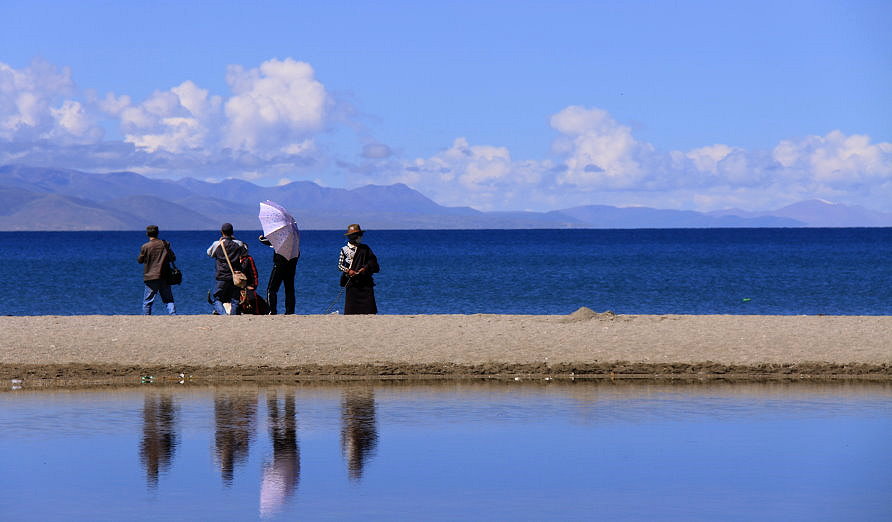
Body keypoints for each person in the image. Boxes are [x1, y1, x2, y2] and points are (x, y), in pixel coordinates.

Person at [338, 224, 379, 314]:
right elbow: (340, 265)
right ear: (352, 237)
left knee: (369, 308)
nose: (360, 237)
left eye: (360, 235)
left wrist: (365, 268)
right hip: (352, 282)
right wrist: (349, 271)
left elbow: (373, 261)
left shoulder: (365, 248)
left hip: (365, 281)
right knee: (351, 308)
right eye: (358, 235)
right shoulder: (344, 249)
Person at [207, 223, 247, 315]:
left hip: (222, 276)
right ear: (232, 232)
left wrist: (220, 241)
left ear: (221, 232)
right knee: (235, 299)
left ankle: (223, 314)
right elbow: (245, 253)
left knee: (217, 298)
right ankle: (233, 317)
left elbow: (209, 253)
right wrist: (235, 240)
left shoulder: (217, 244)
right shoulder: (238, 244)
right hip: (235, 275)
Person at [137, 225, 176, 315]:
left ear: (147, 234)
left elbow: (140, 260)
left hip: (150, 276)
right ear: (157, 233)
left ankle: (147, 318)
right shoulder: (165, 244)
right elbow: (173, 258)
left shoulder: (145, 247)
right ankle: (173, 315)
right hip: (164, 275)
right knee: (168, 299)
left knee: (147, 301)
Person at [259, 235, 299, 315]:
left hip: (279, 265)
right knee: (289, 289)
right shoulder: (294, 239)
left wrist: (261, 239)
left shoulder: (281, 237)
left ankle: (271, 311)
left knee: (271, 289)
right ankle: (290, 311)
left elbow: (269, 242)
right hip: (291, 265)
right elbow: (297, 254)